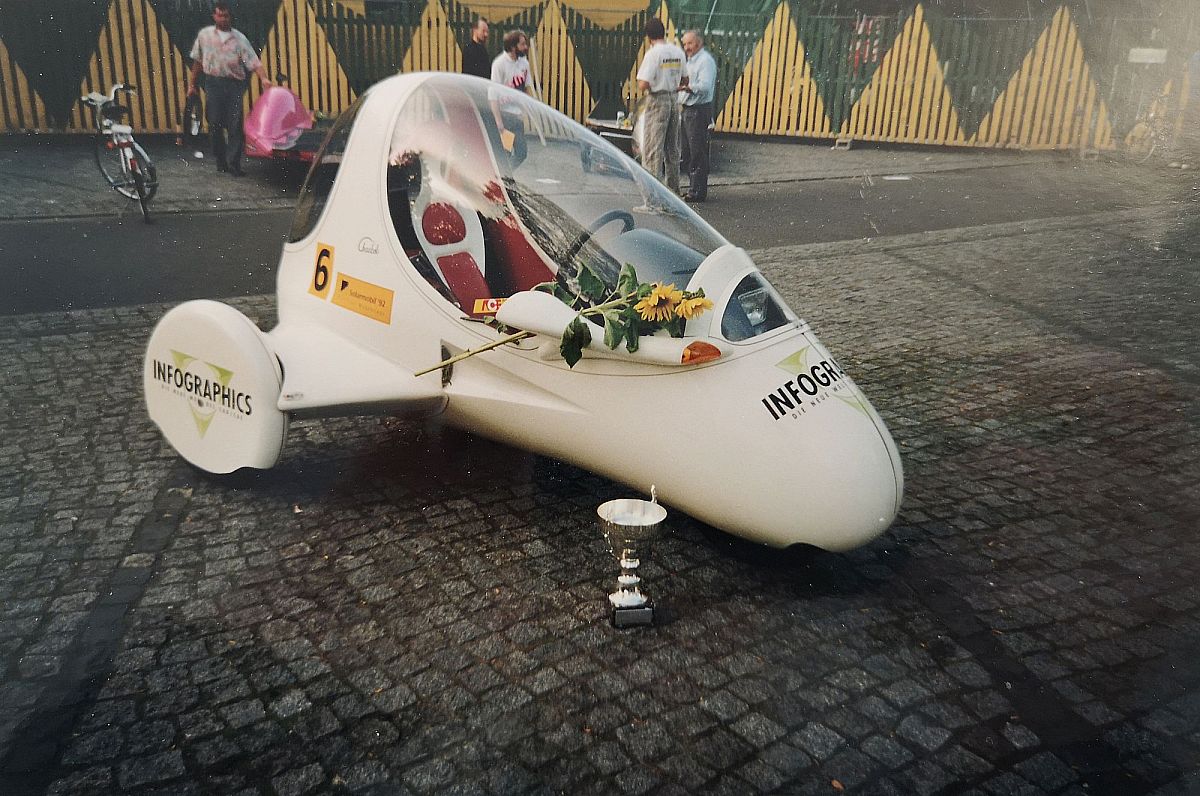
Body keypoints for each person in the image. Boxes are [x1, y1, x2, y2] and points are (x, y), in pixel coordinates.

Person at [187, 2, 272, 177]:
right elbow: (197, 61)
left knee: (234, 125)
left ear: (230, 17)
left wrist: (264, 78)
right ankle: (221, 160)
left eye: (226, 16)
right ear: (214, 16)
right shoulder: (205, 35)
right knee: (215, 123)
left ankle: (234, 164)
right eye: (220, 15)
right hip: (213, 83)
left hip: (233, 85)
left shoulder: (239, 38)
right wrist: (192, 85)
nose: (223, 19)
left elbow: (254, 61)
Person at [635, 18, 685, 198]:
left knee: (651, 151)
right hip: (674, 99)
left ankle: (651, 200)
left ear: (648, 36)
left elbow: (643, 83)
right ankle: (673, 195)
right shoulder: (677, 51)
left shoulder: (653, 53)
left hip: (657, 100)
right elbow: (685, 80)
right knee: (672, 151)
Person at [678, 30, 716, 202]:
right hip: (688, 109)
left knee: (697, 152)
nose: (687, 47)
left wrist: (688, 87)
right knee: (688, 151)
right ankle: (694, 188)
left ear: (699, 43)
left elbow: (705, 86)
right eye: (685, 44)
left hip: (698, 110)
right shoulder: (692, 61)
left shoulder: (705, 61)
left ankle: (697, 191)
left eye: (690, 44)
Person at [490, 29, 531, 168]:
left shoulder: (524, 64)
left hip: (517, 117)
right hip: (505, 117)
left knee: (521, 152)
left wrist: (527, 111)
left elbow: (526, 88)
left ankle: (507, 176)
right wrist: (499, 121)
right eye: (522, 44)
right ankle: (503, 180)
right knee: (505, 153)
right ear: (513, 47)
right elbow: (493, 95)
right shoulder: (499, 64)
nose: (526, 47)